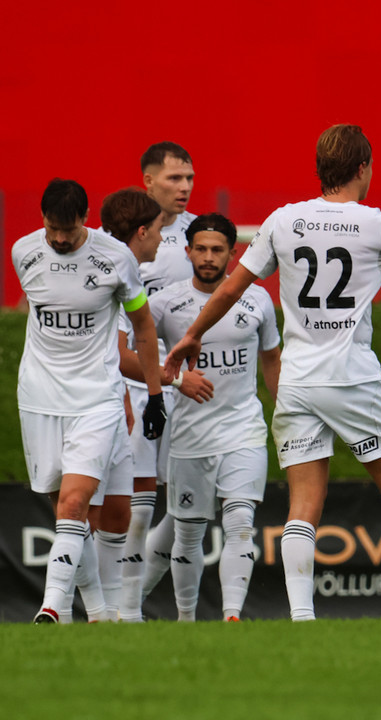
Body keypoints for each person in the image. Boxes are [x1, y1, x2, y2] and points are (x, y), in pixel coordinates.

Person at [164, 124, 381, 620]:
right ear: (362, 168)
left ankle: (302, 618)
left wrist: (194, 333)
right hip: (352, 377)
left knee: (304, 503)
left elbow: (231, 287)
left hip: (298, 382)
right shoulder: (376, 223)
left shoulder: (284, 220)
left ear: (321, 169)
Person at [12, 179, 165, 623]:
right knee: (72, 517)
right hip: (39, 399)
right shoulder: (23, 252)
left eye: (69, 229)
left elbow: (142, 325)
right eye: (52, 228)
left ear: (85, 219)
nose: (60, 238)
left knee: (75, 505)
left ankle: (50, 608)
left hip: (96, 399)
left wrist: (155, 393)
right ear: (42, 220)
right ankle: (99, 614)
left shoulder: (115, 259)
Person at [150, 213, 280, 622]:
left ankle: (231, 617)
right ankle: (186, 621)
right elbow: (132, 356)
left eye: (217, 250)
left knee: (241, 522)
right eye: (201, 249)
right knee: (188, 533)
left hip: (244, 430)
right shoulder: (164, 303)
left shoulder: (258, 300)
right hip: (189, 437)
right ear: (187, 251)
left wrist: (285, 413)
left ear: (233, 254)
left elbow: (272, 360)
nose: (208, 257)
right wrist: (177, 380)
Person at [93, 188, 213, 622]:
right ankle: (118, 610)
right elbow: (120, 353)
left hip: (153, 389)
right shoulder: (115, 268)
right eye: (159, 231)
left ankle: (122, 607)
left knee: (179, 506)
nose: (165, 241)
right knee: (118, 509)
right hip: (124, 393)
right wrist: (173, 380)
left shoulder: (127, 267)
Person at [120, 142, 198, 621]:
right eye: (174, 178)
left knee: (190, 504)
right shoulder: (119, 236)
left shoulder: (199, 236)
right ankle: (123, 608)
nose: (184, 187)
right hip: (132, 382)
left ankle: (131, 601)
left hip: (183, 385)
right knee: (136, 503)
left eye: (189, 178)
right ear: (148, 181)